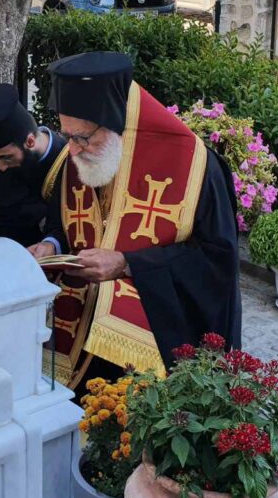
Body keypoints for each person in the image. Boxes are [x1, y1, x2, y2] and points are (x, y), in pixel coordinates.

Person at [31, 51, 241, 389]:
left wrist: (127, 263)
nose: (73, 150)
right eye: (67, 136)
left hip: (154, 341)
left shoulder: (196, 167)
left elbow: (216, 260)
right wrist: (51, 243)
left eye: (83, 138)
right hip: (80, 330)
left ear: (119, 125)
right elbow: (63, 221)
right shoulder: (78, 156)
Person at [0, 84, 68, 247]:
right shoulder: (9, 158)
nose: (1, 167)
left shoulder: (68, 158)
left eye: (5, 157)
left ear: (30, 142)